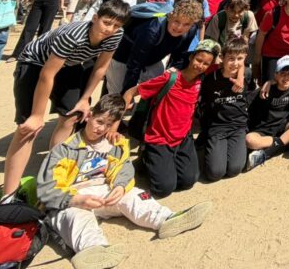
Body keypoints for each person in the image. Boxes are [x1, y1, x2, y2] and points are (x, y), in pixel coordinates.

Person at [36, 95, 210, 269]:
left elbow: (124, 169)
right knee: (78, 217)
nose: (101, 128)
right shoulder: (64, 149)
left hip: (104, 192)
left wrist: (120, 186)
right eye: (99, 121)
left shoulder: (114, 145)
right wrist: (76, 200)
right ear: (89, 116)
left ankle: (166, 219)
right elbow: (46, 188)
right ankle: (94, 249)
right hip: (72, 197)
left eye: (109, 125)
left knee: (133, 195)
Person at [3, 0, 129, 200]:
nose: (110, 29)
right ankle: (7, 195)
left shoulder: (116, 35)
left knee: (73, 116)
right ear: (95, 18)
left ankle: (55, 177)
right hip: (35, 64)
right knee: (28, 128)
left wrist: (85, 99)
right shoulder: (72, 35)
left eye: (116, 26)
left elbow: (100, 68)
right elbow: (47, 75)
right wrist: (37, 115)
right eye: (106, 22)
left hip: (69, 64)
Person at [123, 39, 220, 198]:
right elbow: (132, 91)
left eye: (206, 64)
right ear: (191, 57)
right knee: (164, 188)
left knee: (188, 180)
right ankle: (146, 157)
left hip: (183, 137)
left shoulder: (200, 82)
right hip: (159, 137)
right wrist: (119, 114)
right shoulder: (170, 78)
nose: (200, 65)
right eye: (198, 59)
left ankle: (164, 163)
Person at [106, 0, 201, 94]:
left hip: (152, 61)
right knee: (118, 99)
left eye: (186, 24)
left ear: (192, 24)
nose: (179, 28)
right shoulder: (152, 29)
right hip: (123, 59)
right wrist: (127, 92)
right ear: (170, 16)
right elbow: (134, 64)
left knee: (160, 92)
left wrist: (174, 70)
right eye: (177, 21)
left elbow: (180, 56)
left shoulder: (191, 30)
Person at [199, 38, 251, 182]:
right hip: (217, 127)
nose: (235, 63)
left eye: (239, 58)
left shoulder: (247, 74)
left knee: (234, 169)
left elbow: (250, 93)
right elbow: (203, 103)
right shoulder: (210, 79)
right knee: (215, 173)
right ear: (222, 58)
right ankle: (209, 148)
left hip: (238, 127)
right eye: (231, 59)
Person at [245, 55, 289, 171]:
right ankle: (284, 143)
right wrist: (268, 82)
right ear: (276, 75)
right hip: (263, 130)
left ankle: (267, 153)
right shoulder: (265, 90)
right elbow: (245, 103)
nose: (287, 77)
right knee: (249, 140)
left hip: (284, 127)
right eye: (283, 73)